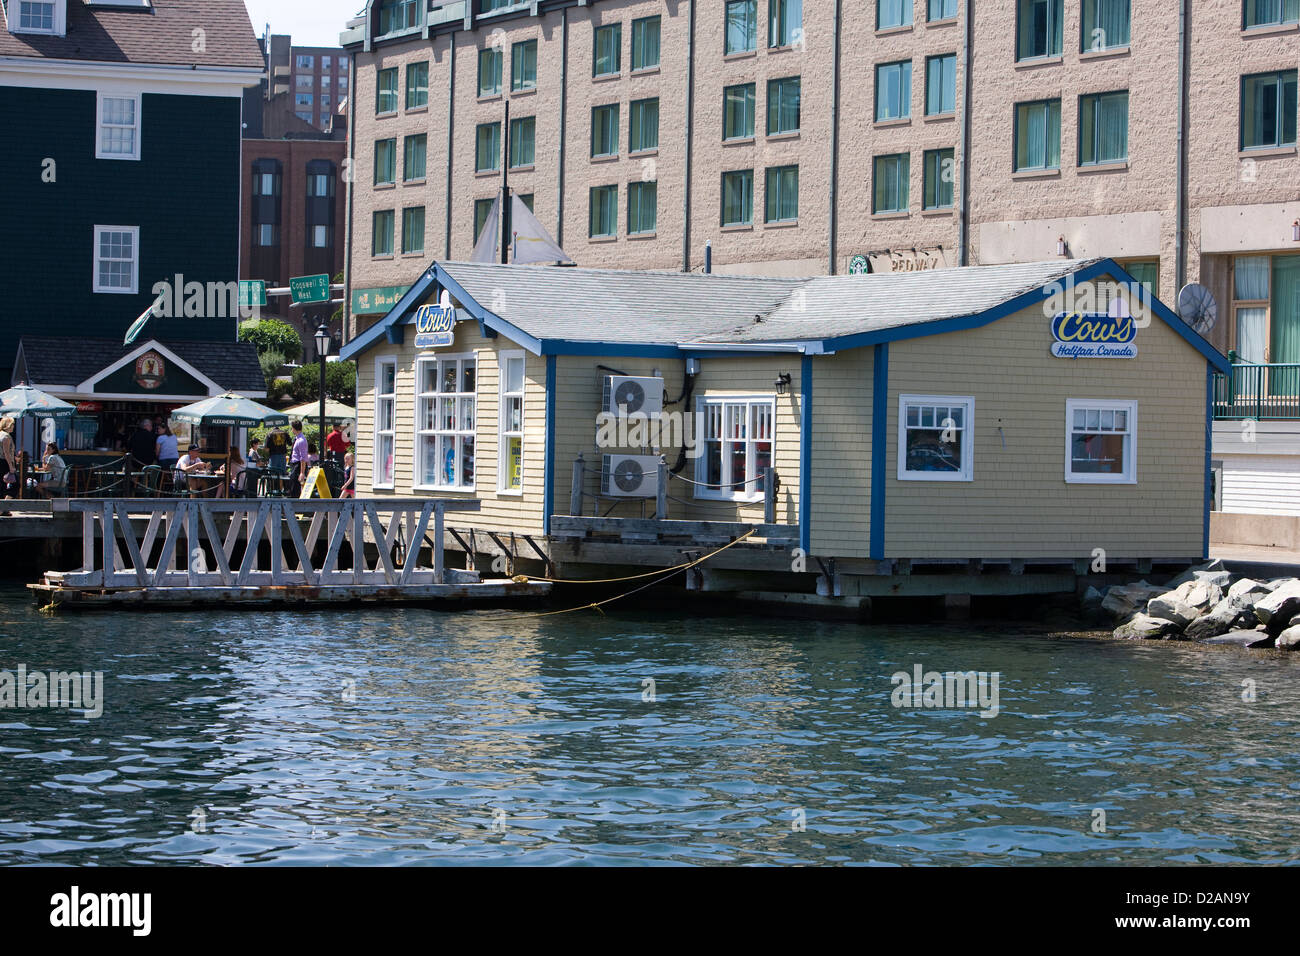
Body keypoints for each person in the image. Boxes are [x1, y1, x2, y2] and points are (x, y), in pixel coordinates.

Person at [288, 421, 308, 497]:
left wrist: (302, 473)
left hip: (298, 465)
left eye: (292, 428)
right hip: (294, 465)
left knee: (295, 488)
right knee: (292, 486)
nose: (292, 430)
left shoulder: (301, 441)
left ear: (294, 428)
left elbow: (303, 458)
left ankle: (295, 506)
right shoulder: (297, 439)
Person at [0, 417, 18, 499]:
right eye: (12, 425)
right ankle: (4, 505)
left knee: (2, 485)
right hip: (5, 463)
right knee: (16, 484)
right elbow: (6, 453)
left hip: (1, 462)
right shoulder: (6, 437)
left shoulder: (0, 434)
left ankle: (3, 508)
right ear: (8, 425)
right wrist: (11, 466)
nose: (13, 427)